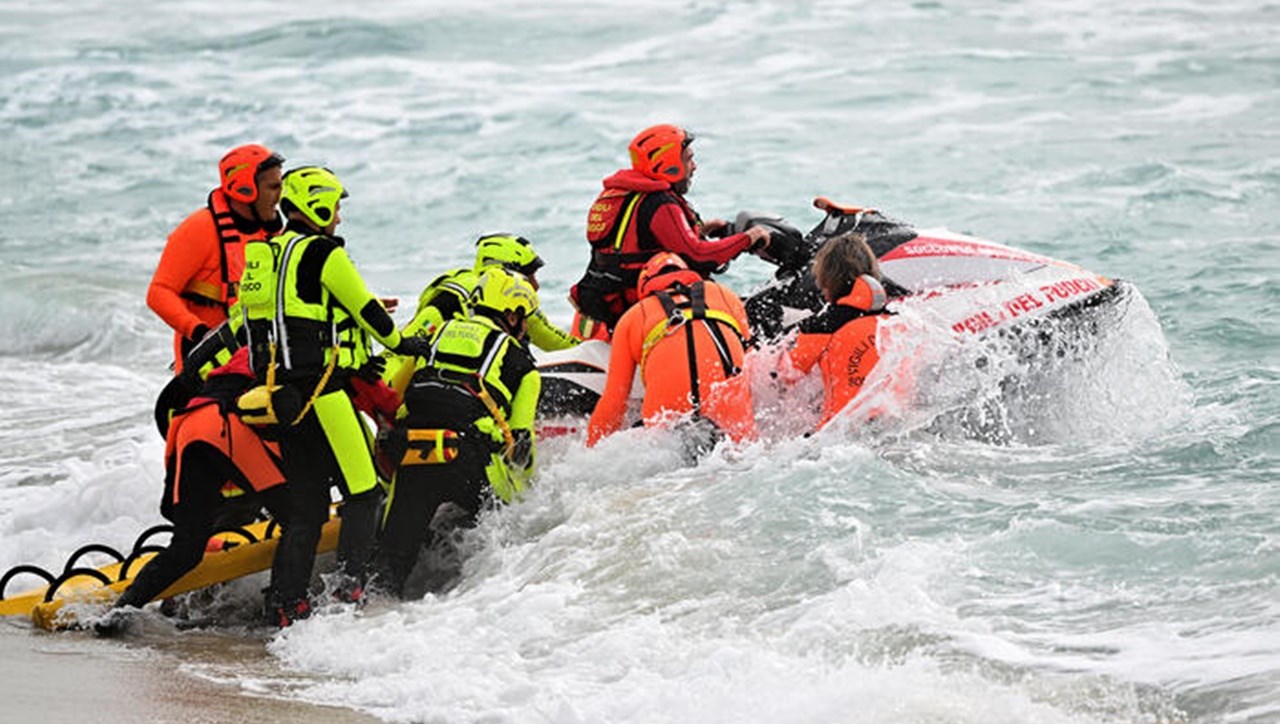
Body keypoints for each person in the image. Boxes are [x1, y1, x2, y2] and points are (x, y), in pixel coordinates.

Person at [237, 165, 430, 626]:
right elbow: (367, 313)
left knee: (305, 509)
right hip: (323, 393)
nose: (339, 218)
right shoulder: (324, 252)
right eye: (337, 207)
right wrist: (407, 345)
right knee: (365, 495)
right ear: (318, 205)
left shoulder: (265, 253)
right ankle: (348, 599)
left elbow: (268, 318)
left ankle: (287, 606)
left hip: (279, 397)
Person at [371, 268, 542, 599]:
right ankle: (471, 607)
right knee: (509, 540)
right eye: (525, 319)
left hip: (411, 451)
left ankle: (370, 618)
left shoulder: (434, 334)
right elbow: (522, 446)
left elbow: (394, 392)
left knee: (388, 569)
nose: (526, 329)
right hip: (469, 460)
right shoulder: (522, 363)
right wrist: (528, 499)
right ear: (511, 313)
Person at [94, 349, 289, 636]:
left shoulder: (246, 345)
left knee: (187, 547)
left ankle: (120, 612)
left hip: (189, 424)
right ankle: (284, 609)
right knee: (300, 518)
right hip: (225, 425)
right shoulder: (299, 348)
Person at [569, 124, 777, 335]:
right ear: (668, 163)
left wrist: (701, 230)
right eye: (688, 159)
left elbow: (637, 243)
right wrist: (749, 238)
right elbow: (699, 256)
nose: (694, 166)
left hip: (605, 303)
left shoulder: (624, 193)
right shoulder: (659, 202)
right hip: (641, 308)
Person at [586, 252, 756, 453]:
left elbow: (614, 400)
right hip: (729, 415)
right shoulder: (726, 296)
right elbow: (750, 362)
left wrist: (590, 450)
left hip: (669, 422)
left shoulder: (632, 318)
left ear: (644, 286)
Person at [147, 144, 285, 373]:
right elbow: (158, 293)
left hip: (253, 359)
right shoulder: (199, 228)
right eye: (273, 187)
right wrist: (202, 335)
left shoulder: (272, 234)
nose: (280, 196)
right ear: (245, 189)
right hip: (204, 365)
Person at [384, 233, 577, 392]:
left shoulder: (517, 301)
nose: (536, 285)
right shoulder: (450, 300)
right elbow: (399, 349)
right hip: (439, 392)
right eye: (529, 276)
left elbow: (560, 344)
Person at [776, 231, 891, 429]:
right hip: (893, 424)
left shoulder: (822, 327)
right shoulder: (895, 320)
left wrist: (778, 350)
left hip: (841, 432)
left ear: (829, 279)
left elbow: (788, 376)